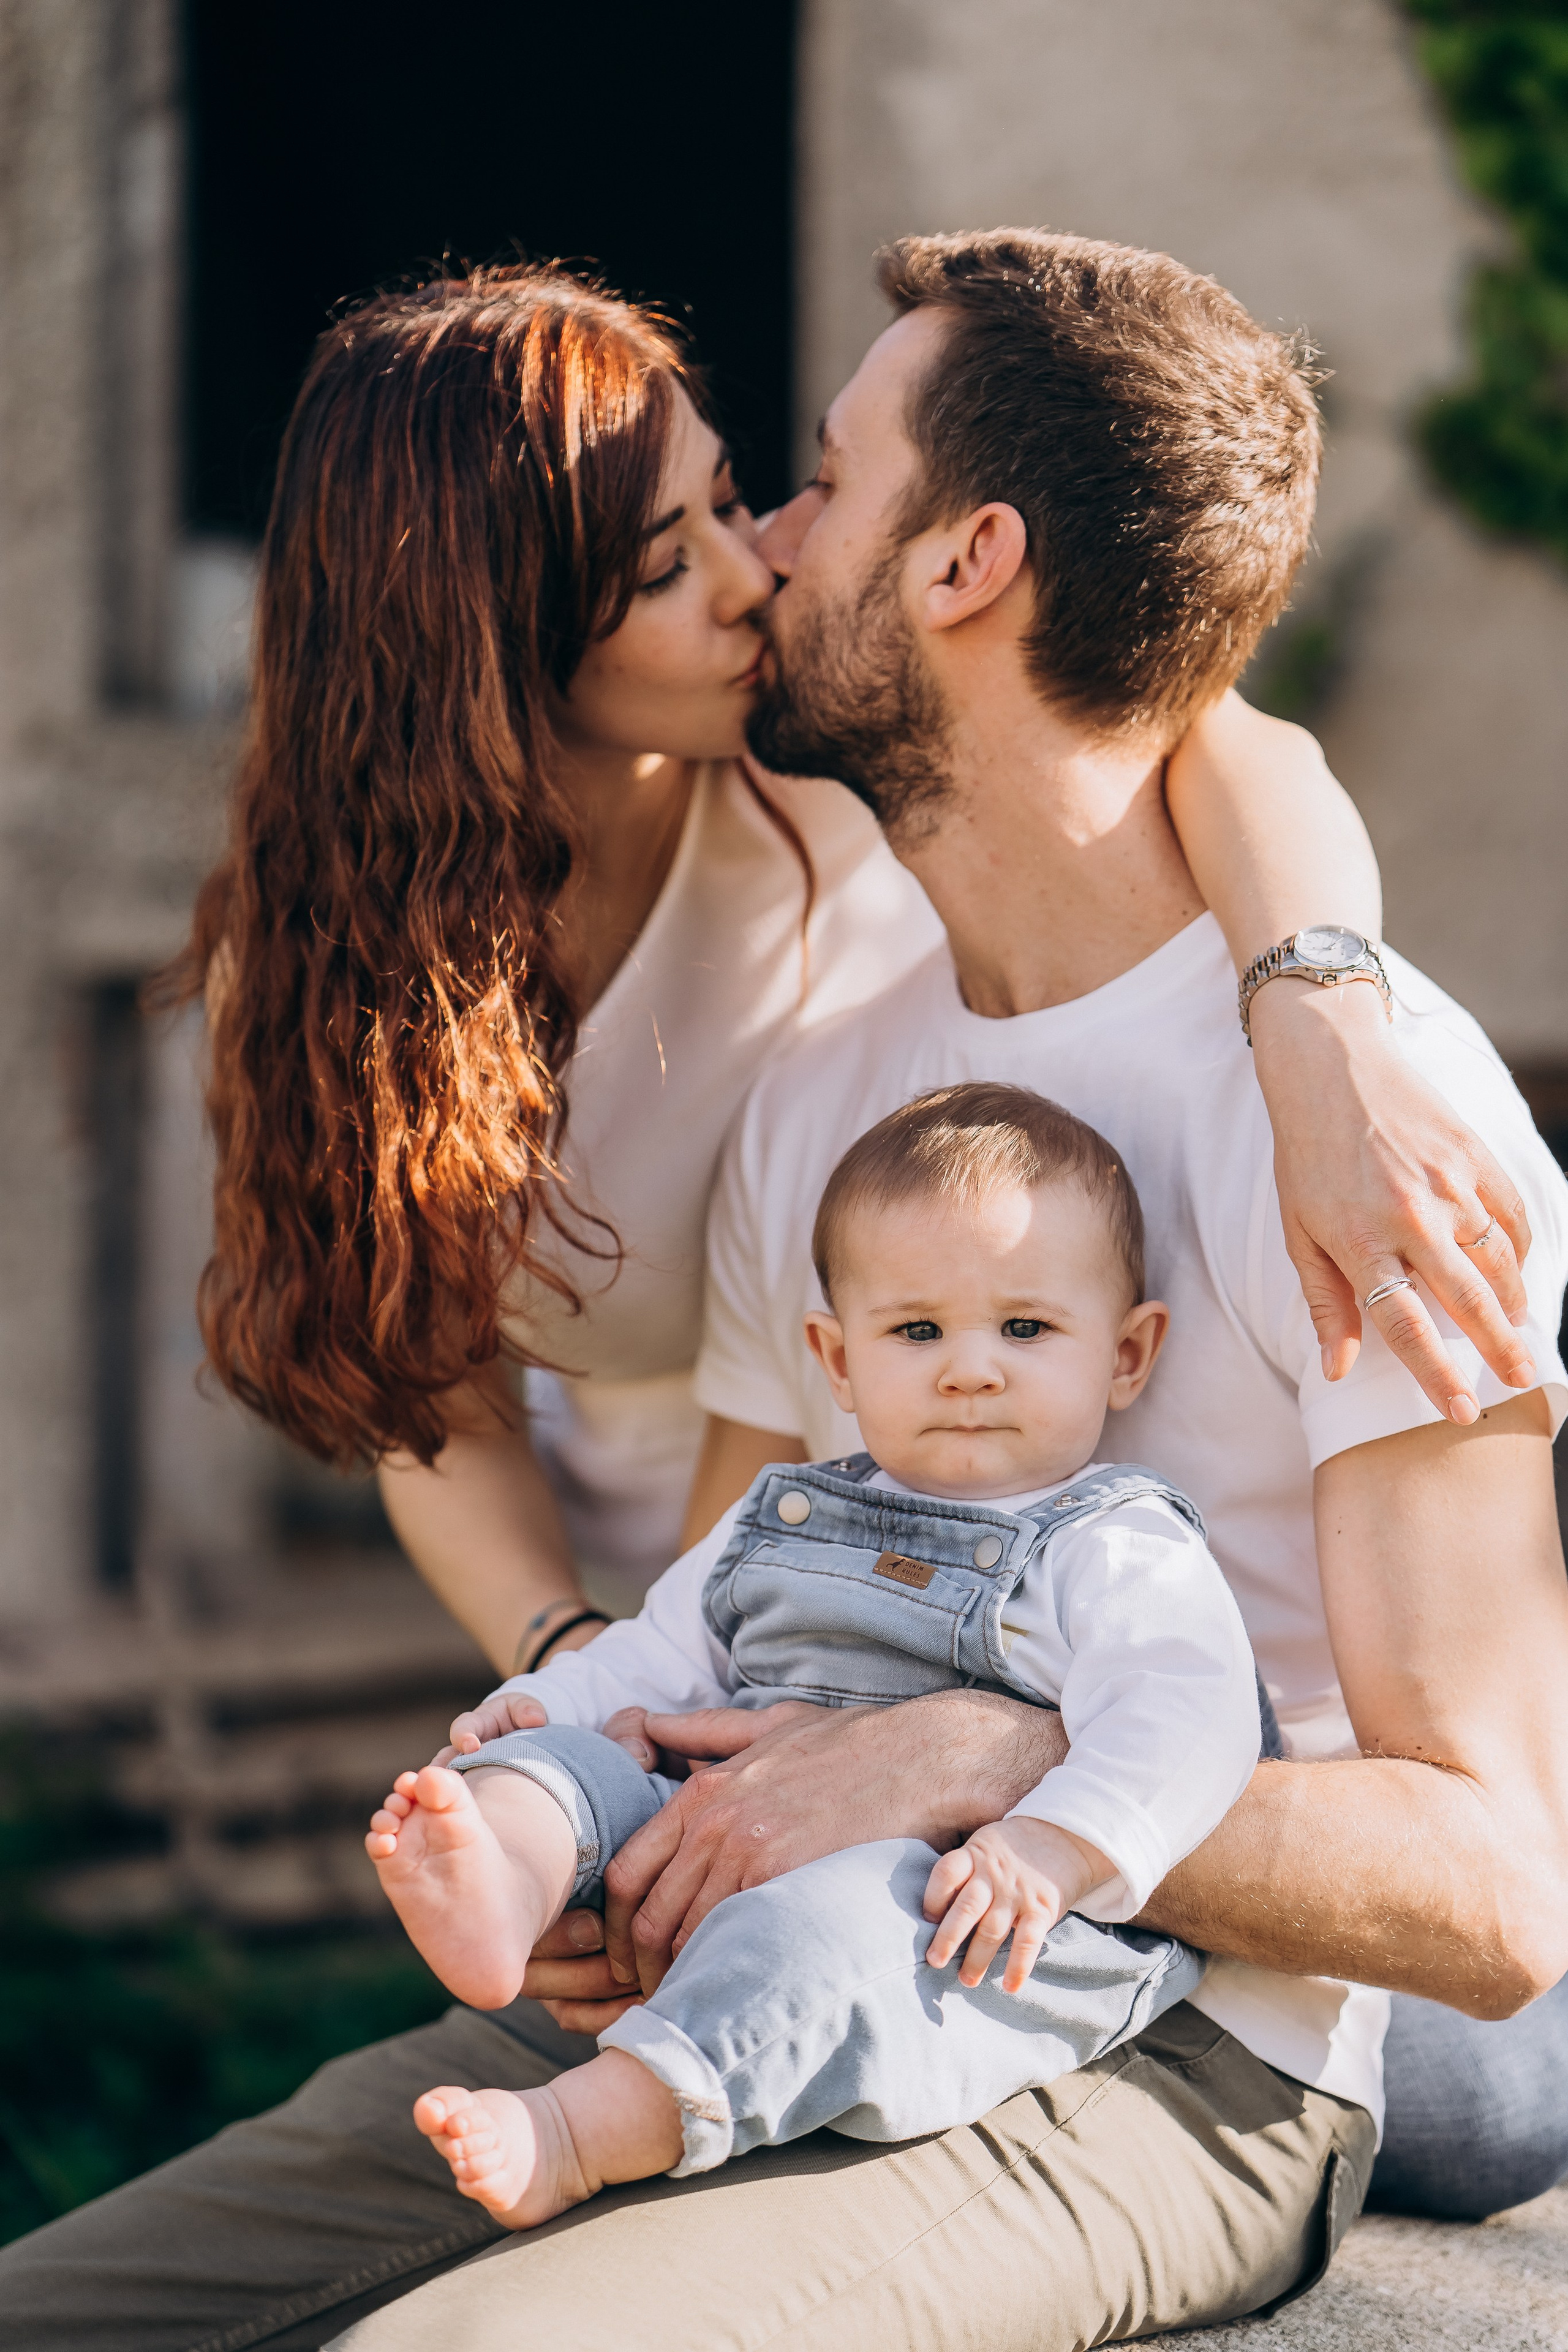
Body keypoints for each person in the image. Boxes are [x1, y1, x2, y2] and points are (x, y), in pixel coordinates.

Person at [0, 252, 1545, 2346]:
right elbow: (710, 1562)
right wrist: (610, 1820)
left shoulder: (1362, 1129)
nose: (763, 557)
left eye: (808, 484)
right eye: (706, 528)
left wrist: (974, 1761)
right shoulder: (832, 1090)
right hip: (801, 1937)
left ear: (967, 561)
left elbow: (1494, 1895)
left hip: (1174, 2039)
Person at [364, 1085, 1263, 2227]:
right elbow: (656, 1657)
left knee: (824, 1942)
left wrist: (1054, 1845)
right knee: (573, 1769)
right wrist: (535, 1711)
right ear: (837, 1362)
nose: (970, 1370)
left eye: (1025, 1328)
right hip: (721, 1820)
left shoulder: (1115, 1544)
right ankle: (502, 1877)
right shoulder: (780, 1516)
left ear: (1128, 1353)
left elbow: (1189, 1716)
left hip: (947, 1905)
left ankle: (581, 2130)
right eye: (918, 1331)